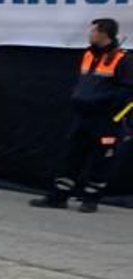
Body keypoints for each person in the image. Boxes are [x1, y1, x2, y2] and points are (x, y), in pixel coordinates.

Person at [31, 17, 133, 213]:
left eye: (93, 31)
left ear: (104, 33)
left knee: (101, 160)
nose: (90, 35)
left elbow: (127, 92)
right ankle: (58, 197)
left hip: (105, 119)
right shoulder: (88, 55)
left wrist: (106, 107)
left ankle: (91, 199)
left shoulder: (123, 59)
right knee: (71, 156)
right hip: (83, 116)